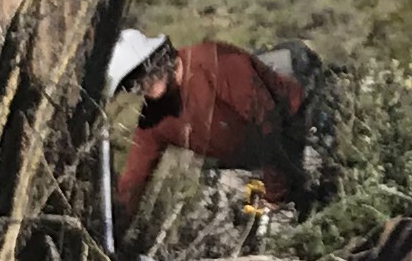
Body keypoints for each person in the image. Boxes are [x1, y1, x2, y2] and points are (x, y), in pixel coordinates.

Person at [106, 26, 307, 230]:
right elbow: (134, 180)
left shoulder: (216, 61)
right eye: (132, 80)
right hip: (247, 162)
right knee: (216, 225)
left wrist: (274, 194)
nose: (143, 80)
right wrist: (114, 232)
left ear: (161, 53)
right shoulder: (153, 118)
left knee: (286, 226)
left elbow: (267, 125)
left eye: (145, 67)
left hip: (296, 133)